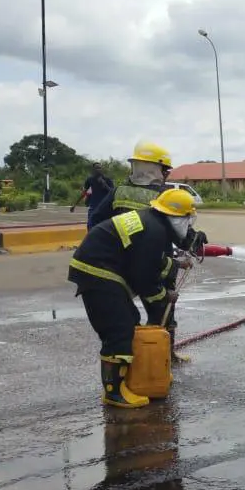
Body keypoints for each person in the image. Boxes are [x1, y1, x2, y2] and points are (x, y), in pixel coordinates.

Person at [68, 188, 199, 408]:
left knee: (130, 319)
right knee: (119, 329)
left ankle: (131, 380)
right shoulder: (154, 231)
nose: (188, 224)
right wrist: (165, 295)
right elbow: (144, 278)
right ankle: (113, 392)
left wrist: (175, 265)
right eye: (187, 218)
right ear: (175, 217)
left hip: (99, 268)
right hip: (98, 271)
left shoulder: (152, 222)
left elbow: (151, 261)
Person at [90, 141, 207, 363]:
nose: (166, 174)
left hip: (120, 265)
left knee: (125, 316)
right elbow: (178, 231)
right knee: (162, 311)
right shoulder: (163, 195)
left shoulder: (118, 191)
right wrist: (195, 239)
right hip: (157, 264)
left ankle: (137, 356)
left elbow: (96, 221)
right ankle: (162, 358)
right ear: (155, 169)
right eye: (165, 170)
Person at [71, 164, 115, 229]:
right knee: (90, 225)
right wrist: (75, 205)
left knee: (103, 226)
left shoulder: (107, 180)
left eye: (100, 168)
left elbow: (112, 192)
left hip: (104, 207)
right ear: (93, 170)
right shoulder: (90, 179)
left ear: (102, 169)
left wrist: (104, 184)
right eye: (96, 168)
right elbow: (84, 193)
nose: (98, 170)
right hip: (93, 206)